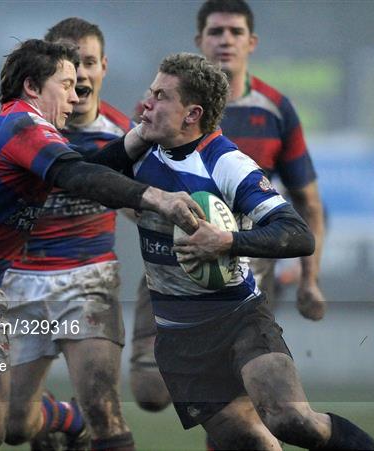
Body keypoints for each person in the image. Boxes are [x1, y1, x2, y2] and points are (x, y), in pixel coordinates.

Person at [0, 38, 201, 451]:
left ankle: (64, 417)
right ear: (33, 87)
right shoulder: (20, 125)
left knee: (1, 429)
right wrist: (158, 199)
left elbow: (84, 170)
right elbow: (80, 177)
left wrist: (141, 135)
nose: (76, 95)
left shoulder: (31, 132)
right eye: (67, 83)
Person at [114, 51, 374, 449]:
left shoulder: (227, 163)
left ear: (192, 114)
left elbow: (298, 233)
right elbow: (82, 178)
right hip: (179, 335)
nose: (147, 103)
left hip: (238, 317)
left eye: (161, 96)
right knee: (253, 444)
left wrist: (227, 241)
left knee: (290, 420)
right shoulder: (137, 153)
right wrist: (131, 140)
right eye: (150, 92)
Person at [129, 0, 328, 413]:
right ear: (198, 40)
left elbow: (307, 202)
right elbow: (129, 185)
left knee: (251, 401)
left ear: (251, 42)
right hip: (172, 269)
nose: (225, 41)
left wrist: (310, 279)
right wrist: (159, 210)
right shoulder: (160, 110)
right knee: (149, 392)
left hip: (245, 277)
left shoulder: (275, 110)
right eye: (215, 32)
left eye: (235, 32)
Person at [0, 18, 136, 451]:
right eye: (68, 65)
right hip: (21, 282)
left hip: (88, 279)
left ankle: (89, 419)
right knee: (15, 426)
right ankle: (64, 419)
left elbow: (142, 203)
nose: (79, 75)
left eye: (88, 62)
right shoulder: (16, 127)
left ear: (103, 67)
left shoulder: (123, 136)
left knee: (103, 406)